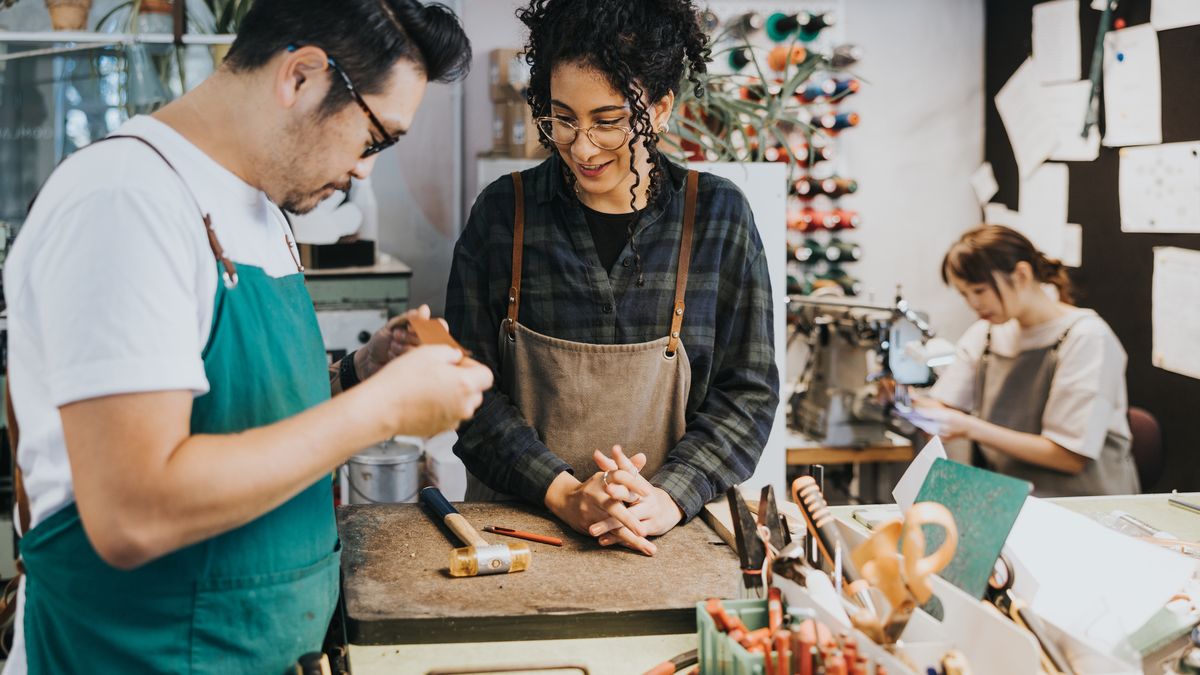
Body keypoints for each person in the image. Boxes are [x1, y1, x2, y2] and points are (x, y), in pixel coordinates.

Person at [2, 1, 492, 672]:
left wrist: (359, 373)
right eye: (375, 138)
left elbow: (233, 414)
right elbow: (133, 510)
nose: (363, 169)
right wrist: (382, 410)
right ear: (301, 76)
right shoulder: (125, 200)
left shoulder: (260, 208)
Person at [446, 0, 779, 556]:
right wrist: (566, 494)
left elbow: (747, 392)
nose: (581, 146)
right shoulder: (506, 212)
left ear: (662, 108)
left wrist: (668, 496)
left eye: (608, 121)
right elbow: (465, 390)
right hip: (520, 533)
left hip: (667, 535)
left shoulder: (718, 215)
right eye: (563, 119)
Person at [919, 225, 1139, 496]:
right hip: (1011, 500)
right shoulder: (987, 334)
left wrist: (971, 427)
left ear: (1022, 274)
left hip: (1084, 505)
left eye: (979, 290)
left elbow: (1069, 457)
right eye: (965, 294)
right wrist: (904, 402)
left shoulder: (1085, 337)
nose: (973, 304)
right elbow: (944, 408)